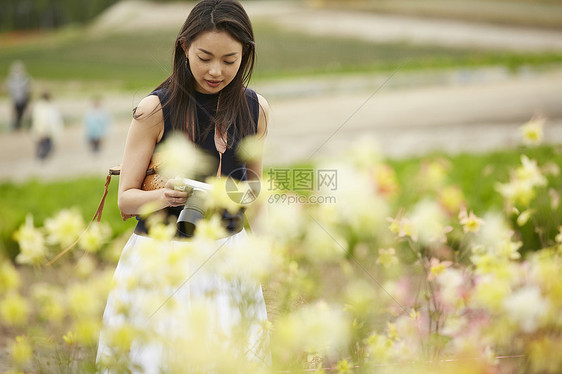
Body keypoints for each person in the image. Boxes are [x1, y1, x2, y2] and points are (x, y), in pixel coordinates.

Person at [96, 1, 270, 372]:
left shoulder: (256, 109)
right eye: (204, 56)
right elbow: (125, 200)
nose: (215, 70)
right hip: (161, 258)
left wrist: (265, 248)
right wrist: (165, 195)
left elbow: (255, 186)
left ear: (246, 55)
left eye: (230, 60)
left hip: (228, 254)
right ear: (183, 47)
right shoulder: (153, 110)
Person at [30, 91, 63, 160]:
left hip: (44, 129)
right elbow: (41, 119)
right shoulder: (43, 107)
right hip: (42, 129)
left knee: (44, 144)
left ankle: (41, 157)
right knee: (42, 144)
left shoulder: (43, 106)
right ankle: (40, 157)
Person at [6, 60, 32, 131]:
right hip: (17, 100)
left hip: (23, 99)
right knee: (17, 115)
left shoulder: (25, 78)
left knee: (23, 114)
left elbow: (28, 89)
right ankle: (17, 128)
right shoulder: (11, 79)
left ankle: (24, 127)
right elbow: (10, 91)